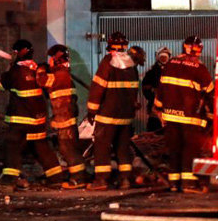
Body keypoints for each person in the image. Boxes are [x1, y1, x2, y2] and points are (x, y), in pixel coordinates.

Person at [0, 39, 65, 189]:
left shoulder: (15, 71)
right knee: (41, 147)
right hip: (38, 119)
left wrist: (9, 68)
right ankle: (56, 177)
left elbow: (1, 86)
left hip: (20, 120)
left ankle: (9, 177)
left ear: (18, 53)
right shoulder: (38, 70)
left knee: (12, 145)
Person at [154, 35, 214, 193]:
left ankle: (174, 184)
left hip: (170, 116)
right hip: (191, 118)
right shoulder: (199, 68)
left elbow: (161, 89)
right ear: (199, 50)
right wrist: (211, 115)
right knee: (190, 149)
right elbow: (210, 93)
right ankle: (189, 183)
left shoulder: (170, 64)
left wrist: (158, 108)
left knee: (174, 149)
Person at [85, 31, 140, 190]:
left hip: (107, 115)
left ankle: (101, 180)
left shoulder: (107, 62)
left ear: (110, 46)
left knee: (102, 147)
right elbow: (134, 91)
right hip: (125, 116)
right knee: (122, 148)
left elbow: (98, 87)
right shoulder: (131, 64)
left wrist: (91, 110)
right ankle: (125, 179)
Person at [39, 44, 87, 188]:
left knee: (68, 149)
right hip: (66, 118)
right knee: (68, 148)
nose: (49, 61)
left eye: (51, 58)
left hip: (65, 120)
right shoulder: (63, 74)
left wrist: (41, 69)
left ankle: (79, 178)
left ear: (56, 60)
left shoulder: (59, 75)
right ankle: (78, 177)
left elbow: (42, 81)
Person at [142, 47, 171, 132]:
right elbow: (146, 89)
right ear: (158, 57)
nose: (164, 59)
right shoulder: (151, 73)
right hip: (155, 109)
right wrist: (154, 96)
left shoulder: (173, 72)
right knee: (154, 131)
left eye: (165, 57)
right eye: (162, 57)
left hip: (170, 109)